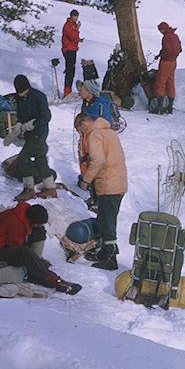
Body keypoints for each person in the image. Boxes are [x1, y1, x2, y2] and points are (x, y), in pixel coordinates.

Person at [0, 203, 82, 295]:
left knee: (38, 235)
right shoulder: (15, 221)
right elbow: (15, 246)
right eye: (37, 224)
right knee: (25, 254)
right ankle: (54, 281)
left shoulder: (24, 214)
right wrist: (35, 260)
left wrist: (36, 260)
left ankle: (49, 278)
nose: (37, 226)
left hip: (5, 246)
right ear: (31, 219)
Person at [74, 113, 127, 270]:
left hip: (108, 183)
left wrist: (86, 180)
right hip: (118, 181)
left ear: (84, 124)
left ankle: (110, 259)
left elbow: (98, 161)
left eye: (81, 131)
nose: (82, 135)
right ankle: (105, 252)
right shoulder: (110, 132)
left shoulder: (94, 135)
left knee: (107, 222)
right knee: (105, 219)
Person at [11, 74, 56, 200]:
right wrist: (19, 124)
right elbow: (20, 115)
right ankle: (51, 189)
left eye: (23, 91)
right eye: (19, 92)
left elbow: (46, 117)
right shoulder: (20, 98)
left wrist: (31, 125)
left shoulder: (38, 96)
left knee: (23, 158)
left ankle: (29, 189)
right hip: (30, 135)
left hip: (39, 132)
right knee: (40, 158)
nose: (21, 94)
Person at [151, 22, 182, 115]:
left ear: (163, 29)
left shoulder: (166, 37)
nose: (160, 32)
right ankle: (169, 107)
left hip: (166, 62)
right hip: (173, 62)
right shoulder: (174, 36)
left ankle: (160, 107)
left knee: (160, 83)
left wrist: (162, 56)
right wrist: (160, 54)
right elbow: (180, 49)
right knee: (170, 82)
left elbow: (167, 50)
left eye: (160, 30)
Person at [61, 9, 84, 97]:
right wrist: (78, 28)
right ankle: (67, 91)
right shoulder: (68, 25)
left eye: (77, 16)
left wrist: (79, 40)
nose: (76, 18)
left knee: (71, 70)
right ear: (72, 16)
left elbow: (74, 37)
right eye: (75, 16)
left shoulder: (73, 25)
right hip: (68, 49)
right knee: (70, 70)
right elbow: (71, 36)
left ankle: (68, 90)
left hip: (73, 49)